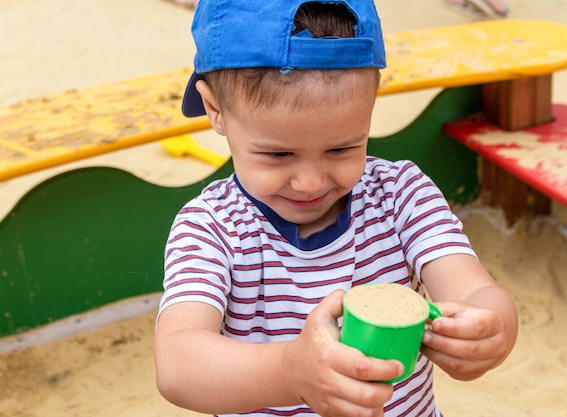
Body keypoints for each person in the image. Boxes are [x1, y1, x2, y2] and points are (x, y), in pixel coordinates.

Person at [154, 1, 518, 416]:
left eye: (342, 148)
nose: (310, 182)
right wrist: (292, 373)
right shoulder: (212, 228)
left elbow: (475, 291)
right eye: (278, 154)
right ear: (215, 110)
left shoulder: (400, 196)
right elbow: (178, 364)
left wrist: (491, 329)